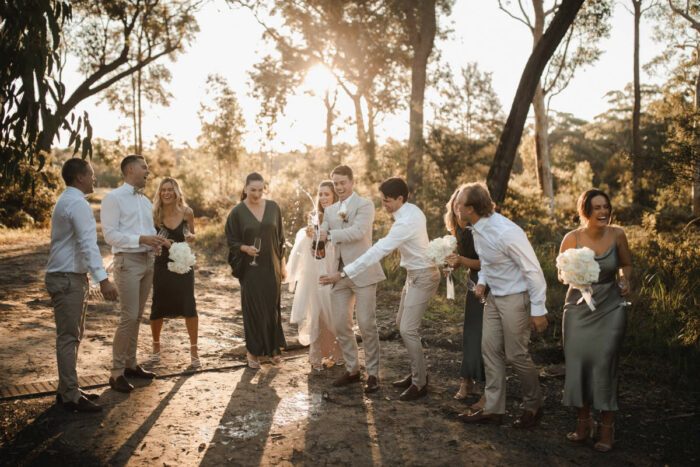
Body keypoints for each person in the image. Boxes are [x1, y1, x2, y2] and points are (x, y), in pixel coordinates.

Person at [321, 177, 439, 400]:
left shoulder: (406, 222)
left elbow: (379, 250)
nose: (383, 205)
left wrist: (344, 272)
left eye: (387, 201)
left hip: (424, 276)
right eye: (382, 200)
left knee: (407, 330)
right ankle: (417, 372)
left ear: (400, 199)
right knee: (400, 324)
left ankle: (420, 382)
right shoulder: (410, 211)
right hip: (413, 275)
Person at [456, 182, 548, 428]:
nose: (455, 207)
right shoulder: (477, 228)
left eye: (459, 204)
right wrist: (483, 283)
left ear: (472, 208)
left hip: (516, 298)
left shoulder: (505, 231)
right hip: (494, 297)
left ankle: (534, 405)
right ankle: (494, 408)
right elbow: (487, 260)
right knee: (490, 350)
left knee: (517, 354)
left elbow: (533, 270)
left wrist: (538, 310)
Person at [559, 189, 632, 452]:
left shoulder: (618, 234)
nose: (603, 212)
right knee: (578, 364)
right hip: (578, 307)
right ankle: (583, 421)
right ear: (585, 212)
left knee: (605, 364)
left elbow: (626, 264)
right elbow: (561, 273)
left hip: (611, 306)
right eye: (597, 208)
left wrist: (625, 280)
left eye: (606, 207)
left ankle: (607, 427)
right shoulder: (572, 238)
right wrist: (575, 274)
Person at [45, 158, 119, 412]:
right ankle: (69, 396)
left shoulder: (69, 200)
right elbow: (88, 245)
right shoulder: (77, 203)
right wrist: (104, 280)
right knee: (68, 337)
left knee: (72, 336)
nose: (94, 179)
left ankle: (69, 388)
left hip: (69, 277)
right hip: (66, 279)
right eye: (91, 174)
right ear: (80, 178)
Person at [316, 165, 385, 393]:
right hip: (339, 275)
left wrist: (330, 235)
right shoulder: (330, 210)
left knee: (366, 323)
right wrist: (315, 236)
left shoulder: (365, 205)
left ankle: (373, 373)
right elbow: (322, 235)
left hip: (364, 273)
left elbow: (358, 232)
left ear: (352, 182)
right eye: (335, 183)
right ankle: (353, 369)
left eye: (343, 182)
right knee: (340, 325)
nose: (339, 187)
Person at [101, 155, 164, 393]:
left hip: (148, 261)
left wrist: (154, 243)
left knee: (138, 316)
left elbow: (147, 232)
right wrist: (140, 239)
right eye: (144, 167)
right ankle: (116, 373)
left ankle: (131, 364)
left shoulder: (146, 202)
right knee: (128, 316)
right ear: (130, 169)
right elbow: (110, 236)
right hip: (127, 262)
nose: (148, 171)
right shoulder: (113, 198)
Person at [225, 172, 287, 369]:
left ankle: (273, 350)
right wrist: (245, 248)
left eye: (260, 190)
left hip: (272, 267)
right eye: (253, 190)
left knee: (272, 309)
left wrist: (283, 266)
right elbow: (232, 241)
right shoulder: (237, 212)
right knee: (253, 310)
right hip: (250, 269)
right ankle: (252, 352)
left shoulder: (273, 207)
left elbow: (281, 239)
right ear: (245, 189)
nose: (257, 194)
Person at [286, 180, 343, 371]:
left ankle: (336, 353)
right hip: (318, 270)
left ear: (334, 195)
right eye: (320, 194)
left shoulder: (341, 215)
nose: (323, 197)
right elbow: (312, 248)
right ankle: (317, 354)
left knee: (335, 313)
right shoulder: (315, 216)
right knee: (318, 311)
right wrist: (310, 236)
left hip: (335, 267)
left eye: (327, 194)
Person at [149, 177, 200, 368]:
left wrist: (191, 237)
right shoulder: (155, 213)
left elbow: (191, 237)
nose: (167, 193)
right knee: (158, 305)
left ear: (176, 192)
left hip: (183, 263)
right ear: (159, 193)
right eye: (163, 190)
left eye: (170, 189)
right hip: (162, 265)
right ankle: (156, 348)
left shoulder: (187, 212)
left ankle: (194, 351)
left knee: (189, 305)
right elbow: (153, 238)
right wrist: (161, 243)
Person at [443, 186, 485, 409]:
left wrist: (461, 261)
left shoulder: (480, 226)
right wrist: (449, 265)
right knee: (470, 333)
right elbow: (461, 258)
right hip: (473, 284)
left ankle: (489, 386)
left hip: (489, 283)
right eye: (456, 202)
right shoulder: (456, 225)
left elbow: (486, 262)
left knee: (486, 336)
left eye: (462, 203)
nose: (458, 207)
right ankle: (466, 380)